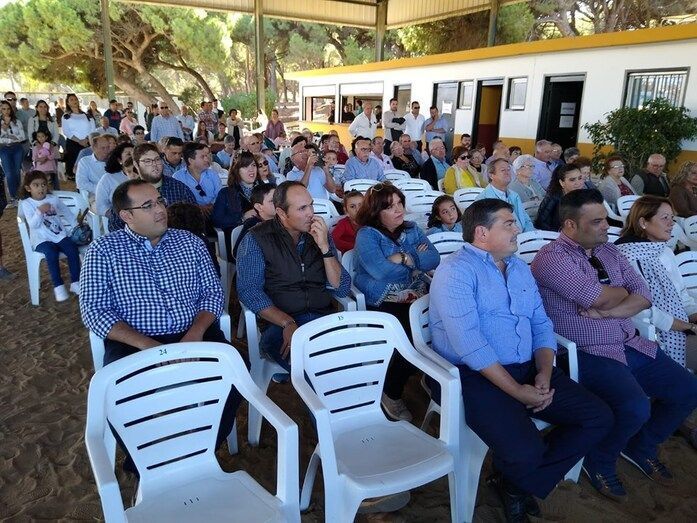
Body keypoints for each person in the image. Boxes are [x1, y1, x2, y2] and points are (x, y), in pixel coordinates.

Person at [430, 198, 612, 522]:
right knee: (527, 451)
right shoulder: (456, 272)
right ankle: (520, 476)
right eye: (509, 224)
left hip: (528, 366)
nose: (518, 229)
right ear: (482, 233)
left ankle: (513, 484)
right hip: (473, 375)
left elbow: (541, 324)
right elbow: (470, 344)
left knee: (598, 418)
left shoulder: (518, 269)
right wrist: (517, 391)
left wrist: (544, 372)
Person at [531, 189, 697, 501]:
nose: (607, 225)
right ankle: (599, 461)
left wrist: (608, 310)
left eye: (605, 218)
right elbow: (598, 297)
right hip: (586, 352)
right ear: (570, 225)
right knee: (635, 407)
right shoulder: (551, 259)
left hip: (629, 341)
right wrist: (618, 297)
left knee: (688, 390)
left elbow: (643, 295)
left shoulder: (609, 250)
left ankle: (641, 446)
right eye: (596, 221)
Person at [79, 179, 241, 469]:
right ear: (126, 216)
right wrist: (147, 346)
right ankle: (143, 464)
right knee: (116, 394)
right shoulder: (103, 250)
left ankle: (202, 450)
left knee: (237, 373)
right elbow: (94, 311)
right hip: (135, 341)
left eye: (160, 201)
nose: (160, 210)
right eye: (148, 206)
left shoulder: (190, 243)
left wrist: (196, 332)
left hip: (194, 333)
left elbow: (213, 293)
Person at [236, 181, 351, 372]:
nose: (311, 213)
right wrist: (287, 322)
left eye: (311, 205)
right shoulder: (257, 238)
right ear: (281, 213)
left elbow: (342, 288)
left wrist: (325, 248)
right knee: (318, 370)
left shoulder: (318, 233)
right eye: (302, 208)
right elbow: (250, 292)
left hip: (322, 317)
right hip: (279, 325)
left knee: (356, 359)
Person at [353, 182, 439, 421]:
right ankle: (390, 392)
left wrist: (403, 258)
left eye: (400, 203)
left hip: (417, 294)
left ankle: (431, 377)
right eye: (390, 207)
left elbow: (433, 258)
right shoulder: (367, 235)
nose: (399, 209)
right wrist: (414, 262)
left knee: (444, 328)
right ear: (376, 212)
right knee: (411, 341)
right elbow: (381, 272)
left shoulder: (411, 228)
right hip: (384, 299)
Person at [616, 196, 697, 369]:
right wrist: (688, 327)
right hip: (653, 337)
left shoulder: (664, 251)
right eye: (665, 218)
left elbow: (682, 296)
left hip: (683, 327)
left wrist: (694, 317)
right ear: (643, 222)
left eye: (672, 218)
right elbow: (643, 312)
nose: (672, 224)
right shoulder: (626, 257)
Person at [18, 171, 81, 302]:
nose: (41, 188)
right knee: (51, 253)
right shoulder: (26, 203)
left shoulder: (53, 199)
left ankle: (76, 282)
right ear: (28, 188)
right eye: (36, 185)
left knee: (72, 249)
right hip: (41, 240)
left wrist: (76, 226)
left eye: (43, 184)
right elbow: (33, 225)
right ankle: (58, 286)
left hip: (59, 235)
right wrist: (39, 211)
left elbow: (67, 213)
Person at [213, 151, 262, 259]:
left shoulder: (265, 191)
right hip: (238, 243)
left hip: (266, 239)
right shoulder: (226, 193)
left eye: (253, 165)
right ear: (237, 170)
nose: (251, 169)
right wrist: (242, 218)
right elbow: (217, 220)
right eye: (245, 166)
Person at [476, 158, 535, 233]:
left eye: (508, 169)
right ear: (491, 175)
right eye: (503, 170)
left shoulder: (514, 195)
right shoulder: (483, 200)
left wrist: (530, 236)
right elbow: (487, 231)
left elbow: (526, 220)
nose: (507, 173)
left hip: (523, 236)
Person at [173, 142, 222, 216]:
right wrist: (197, 208)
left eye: (207, 155)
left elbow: (220, 194)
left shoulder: (213, 174)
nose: (207, 159)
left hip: (215, 212)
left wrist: (212, 205)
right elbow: (178, 202)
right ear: (190, 160)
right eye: (202, 157)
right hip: (191, 215)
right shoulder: (178, 178)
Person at [231, 183, 276, 262]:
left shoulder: (283, 222)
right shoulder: (252, 225)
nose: (278, 203)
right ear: (259, 207)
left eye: (279, 198)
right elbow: (238, 253)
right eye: (272, 201)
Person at [534, 164, 586, 232]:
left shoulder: (584, 196)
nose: (578, 183)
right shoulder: (553, 198)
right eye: (572, 180)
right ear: (562, 183)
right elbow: (540, 223)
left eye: (580, 178)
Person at [62, 94, 96, 179]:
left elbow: (93, 128)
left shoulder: (87, 115)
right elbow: (66, 131)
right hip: (73, 143)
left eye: (75, 99)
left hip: (87, 142)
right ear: (68, 103)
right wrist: (79, 141)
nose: (74, 101)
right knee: (74, 168)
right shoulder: (66, 116)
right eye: (71, 100)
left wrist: (87, 139)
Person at [94, 142, 133, 216]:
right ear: (119, 160)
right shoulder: (108, 178)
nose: (133, 157)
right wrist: (116, 217)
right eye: (128, 154)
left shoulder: (144, 175)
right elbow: (101, 206)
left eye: (135, 154)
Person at [0, 100, 27, 204]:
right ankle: (13, 196)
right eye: (3, 109)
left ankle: (18, 194)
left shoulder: (17, 121)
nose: (6, 111)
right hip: (4, 149)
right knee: (9, 173)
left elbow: (22, 137)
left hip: (17, 148)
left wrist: (7, 136)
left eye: (8, 109)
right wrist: (6, 124)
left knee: (16, 172)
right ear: (0, 110)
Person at [76, 134, 116, 200]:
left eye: (108, 147)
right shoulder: (85, 162)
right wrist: (101, 190)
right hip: (94, 194)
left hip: (113, 194)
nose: (106, 150)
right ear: (94, 148)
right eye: (103, 148)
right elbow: (81, 183)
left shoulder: (113, 160)